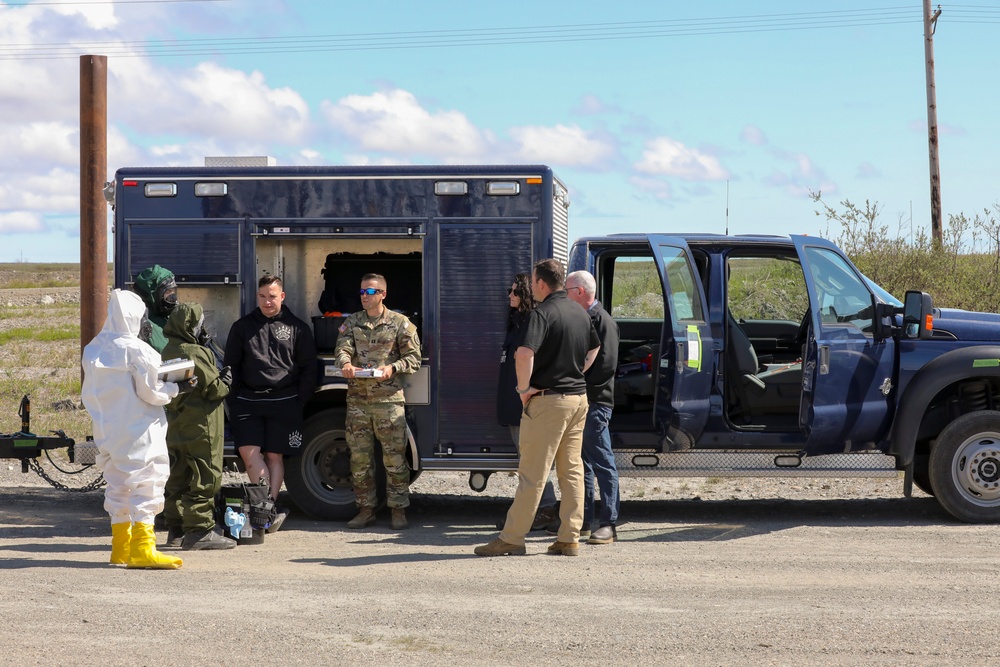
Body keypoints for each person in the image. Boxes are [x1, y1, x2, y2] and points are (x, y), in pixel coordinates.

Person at [475, 259, 600, 557]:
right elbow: (595, 347)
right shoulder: (579, 312)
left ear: (542, 283)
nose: (531, 286)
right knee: (571, 470)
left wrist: (523, 389)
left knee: (532, 473)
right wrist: (577, 372)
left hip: (548, 402)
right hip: (578, 400)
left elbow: (523, 353)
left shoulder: (540, 314)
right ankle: (569, 538)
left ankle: (512, 538)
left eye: (532, 281)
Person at [81, 289, 197, 569]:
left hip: (108, 430)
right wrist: (178, 386)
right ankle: (143, 549)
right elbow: (153, 392)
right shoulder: (137, 350)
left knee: (118, 485)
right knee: (149, 482)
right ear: (135, 317)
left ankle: (121, 547)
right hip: (140, 430)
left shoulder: (94, 348)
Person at [223, 274, 317, 533]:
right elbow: (231, 366)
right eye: (263, 296)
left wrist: (300, 399)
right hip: (248, 402)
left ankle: (267, 509)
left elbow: (310, 367)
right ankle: (262, 505)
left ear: (282, 296)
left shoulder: (298, 327)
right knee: (250, 455)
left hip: (285, 401)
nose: (267, 301)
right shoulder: (242, 327)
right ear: (257, 297)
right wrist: (234, 399)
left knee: (275, 456)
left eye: (272, 296)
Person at [334, 273, 422, 530]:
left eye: (370, 292)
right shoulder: (352, 322)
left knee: (394, 458)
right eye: (362, 291)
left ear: (383, 294)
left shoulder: (399, 323)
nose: (364, 296)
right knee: (359, 459)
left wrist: (393, 368)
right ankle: (365, 510)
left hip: (388, 401)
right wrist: (346, 363)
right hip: (358, 401)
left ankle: (398, 510)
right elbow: (341, 348)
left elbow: (414, 357)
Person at [161, 302, 235, 550]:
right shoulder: (195, 352)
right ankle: (200, 530)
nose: (203, 327)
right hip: (202, 424)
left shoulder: (167, 349)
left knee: (177, 474)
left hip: (176, 424)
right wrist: (225, 380)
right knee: (206, 474)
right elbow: (215, 390)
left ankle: (176, 530)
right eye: (200, 323)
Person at [496, 273, 558, 531]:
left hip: (525, 402)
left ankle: (544, 510)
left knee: (530, 461)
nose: (509, 297)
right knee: (526, 461)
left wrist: (526, 393)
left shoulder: (533, 324)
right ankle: (536, 511)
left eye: (515, 292)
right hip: (512, 400)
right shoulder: (516, 322)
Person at [565, 270, 621, 545]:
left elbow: (606, 366)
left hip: (595, 403)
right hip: (583, 401)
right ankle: (585, 522)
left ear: (580, 292)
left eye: (567, 291)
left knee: (602, 463)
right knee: (582, 464)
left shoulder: (602, 322)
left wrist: (575, 383)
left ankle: (609, 524)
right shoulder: (586, 318)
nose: (564, 296)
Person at [133, 264, 178, 353]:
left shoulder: (170, 318)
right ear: (154, 295)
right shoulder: (142, 326)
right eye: (168, 291)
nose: (172, 296)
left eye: (173, 291)